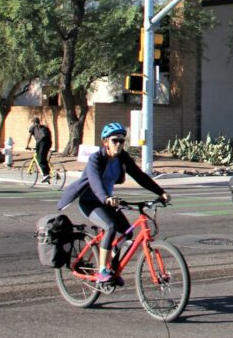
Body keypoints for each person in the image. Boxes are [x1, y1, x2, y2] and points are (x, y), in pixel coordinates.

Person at [57, 122, 170, 284]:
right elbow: (95, 182)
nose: (118, 144)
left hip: (107, 202)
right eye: (115, 141)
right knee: (110, 226)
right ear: (105, 142)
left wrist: (161, 192)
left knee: (127, 233)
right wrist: (106, 197)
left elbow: (140, 177)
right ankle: (103, 270)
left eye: (122, 141)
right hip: (90, 202)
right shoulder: (96, 159)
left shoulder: (122, 158)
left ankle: (113, 269)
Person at [25, 117, 52, 183]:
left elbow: (29, 136)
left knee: (39, 159)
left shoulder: (33, 127)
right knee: (43, 158)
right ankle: (48, 173)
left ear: (34, 122)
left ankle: (46, 175)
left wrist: (27, 145)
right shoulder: (44, 127)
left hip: (41, 142)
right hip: (48, 142)